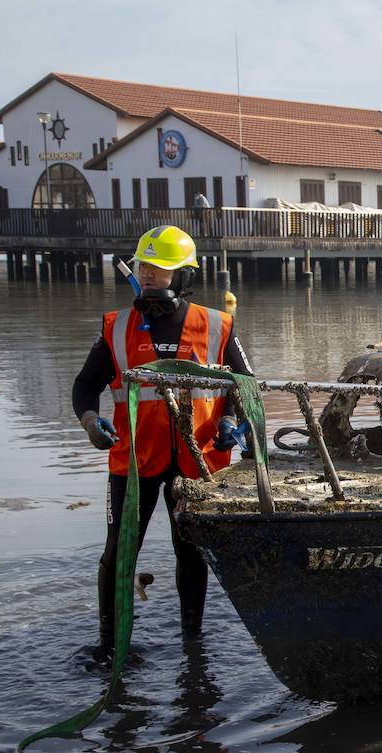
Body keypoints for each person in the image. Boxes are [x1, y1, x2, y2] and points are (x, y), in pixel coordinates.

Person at [72, 225, 253, 656]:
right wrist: (90, 421)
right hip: (133, 461)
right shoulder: (117, 327)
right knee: (119, 552)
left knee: (189, 551)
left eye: (161, 270)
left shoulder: (217, 325)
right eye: (145, 268)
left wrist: (234, 421)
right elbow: (84, 385)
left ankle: (193, 642)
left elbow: (246, 387)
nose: (150, 276)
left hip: (198, 462)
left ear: (184, 277)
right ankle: (109, 646)